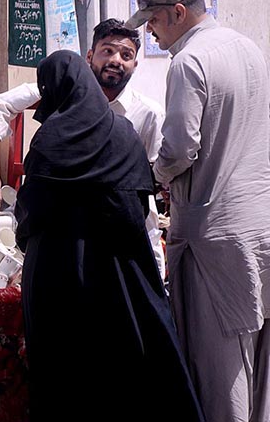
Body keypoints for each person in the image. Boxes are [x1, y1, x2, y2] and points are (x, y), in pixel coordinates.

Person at [12, 50, 203, 421]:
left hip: (57, 270)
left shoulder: (50, 137)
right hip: (120, 268)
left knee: (63, 372)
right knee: (126, 361)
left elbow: (32, 208)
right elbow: (137, 206)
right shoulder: (123, 132)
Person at [127, 0, 270, 421]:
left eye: (152, 20)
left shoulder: (189, 62)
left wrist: (148, 175)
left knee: (219, 369)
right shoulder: (248, 48)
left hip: (214, 237)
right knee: (261, 365)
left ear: (178, 13)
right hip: (259, 226)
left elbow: (180, 149)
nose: (150, 29)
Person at [0, 19, 168, 278]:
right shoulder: (60, 89)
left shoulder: (148, 114)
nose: (116, 60)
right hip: (69, 234)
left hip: (124, 235)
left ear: (135, 65)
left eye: (126, 55)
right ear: (90, 56)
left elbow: (155, 179)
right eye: (107, 51)